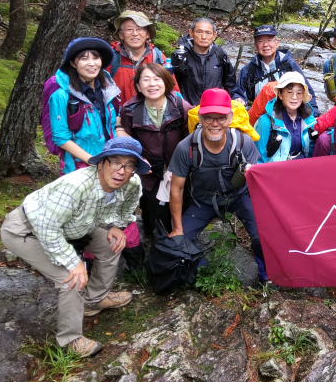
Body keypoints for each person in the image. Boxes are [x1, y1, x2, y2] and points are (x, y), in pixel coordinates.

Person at [0, 136, 147, 358]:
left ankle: (94, 301)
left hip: (76, 227)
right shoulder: (75, 185)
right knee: (71, 277)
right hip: (26, 230)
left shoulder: (132, 184)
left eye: (129, 165)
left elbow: (127, 207)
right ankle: (70, 339)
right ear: (101, 162)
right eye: (115, 162)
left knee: (111, 246)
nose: (121, 170)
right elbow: (47, 227)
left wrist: (117, 226)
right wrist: (73, 262)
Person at [167, 88, 267, 282]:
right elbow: (176, 188)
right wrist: (177, 227)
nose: (215, 124)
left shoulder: (243, 142)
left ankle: (266, 272)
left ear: (229, 118)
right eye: (208, 117)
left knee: (262, 236)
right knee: (178, 243)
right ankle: (205, 273)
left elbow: (259, 181)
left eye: (220, 118)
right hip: (203, 201)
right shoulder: (186, 147)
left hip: (239, 196)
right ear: (200, 118)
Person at [119, 63, 192, 243]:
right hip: (148, 172)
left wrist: (185, 164)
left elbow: (191, 139)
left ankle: (180, 241)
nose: (152, 84)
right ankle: (155, 241)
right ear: (138, 86)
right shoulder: (130, 111)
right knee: (153, 213)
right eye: (146, 80)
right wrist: (139, 160)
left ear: (166, 82)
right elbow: (127, 141)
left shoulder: (181, 106)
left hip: (179, 169)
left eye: (157, 79)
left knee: (181, 206)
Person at [48, 37, 122, 174]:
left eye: (96, 58)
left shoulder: (109, 90)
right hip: (79, 168)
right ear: (73, 63)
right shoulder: (61, 96)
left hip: (112, 162)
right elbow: (61, 137)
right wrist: (93, 161)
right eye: (84, 59)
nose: (92, 64)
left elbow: (115, 122)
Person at [233, 24, 318, 116]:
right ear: (256, 46)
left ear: (277, 43)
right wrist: (239, 100)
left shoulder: (289, 65)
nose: (265, 45)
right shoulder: (249, 70)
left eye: (269, 40)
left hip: (289, 117)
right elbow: (238, 93)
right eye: (260, 41)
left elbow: (306, 91)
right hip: (259, 118)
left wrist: (314, 116)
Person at [171, 17, 236, 106]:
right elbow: (171, 83)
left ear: (214, 36)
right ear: (191, 33)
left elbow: (230, 82)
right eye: (199, 32)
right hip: (188, 110)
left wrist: (228, 103)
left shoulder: (220, 54)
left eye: (208, 33)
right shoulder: (180, 55)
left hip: (215, 110)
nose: (203, 37)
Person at [254, 71, 317, 162]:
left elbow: (311, 152)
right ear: (280, 94)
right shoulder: (265, 122)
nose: (294, 97)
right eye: (289, 92)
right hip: (275, 172)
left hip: (300, 169)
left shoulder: (308, 120)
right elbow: (258, 159)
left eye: (299, 93)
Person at [110, 10, 171, 102]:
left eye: (139, 29)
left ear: (147, 34)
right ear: (120, 35)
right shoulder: (110, 59)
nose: (135, 33)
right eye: (129, 29)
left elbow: (172, 90)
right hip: (119, 116)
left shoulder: (157, 58)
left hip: (150, 114)